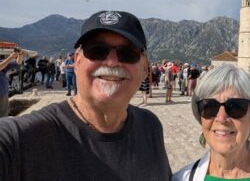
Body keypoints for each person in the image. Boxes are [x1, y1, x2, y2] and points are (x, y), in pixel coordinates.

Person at [0, 11, 171, 180]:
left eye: (128, 53)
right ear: (77, 61)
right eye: (97, 50)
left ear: (144, 67)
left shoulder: (150, 126)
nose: (112, 62)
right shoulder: (22, 140)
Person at [0, 50, 23, 117]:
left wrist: (20, 54)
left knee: (3, 115)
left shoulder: (2, 63)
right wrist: (10, 57)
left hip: (3, 94)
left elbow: (18, 62)